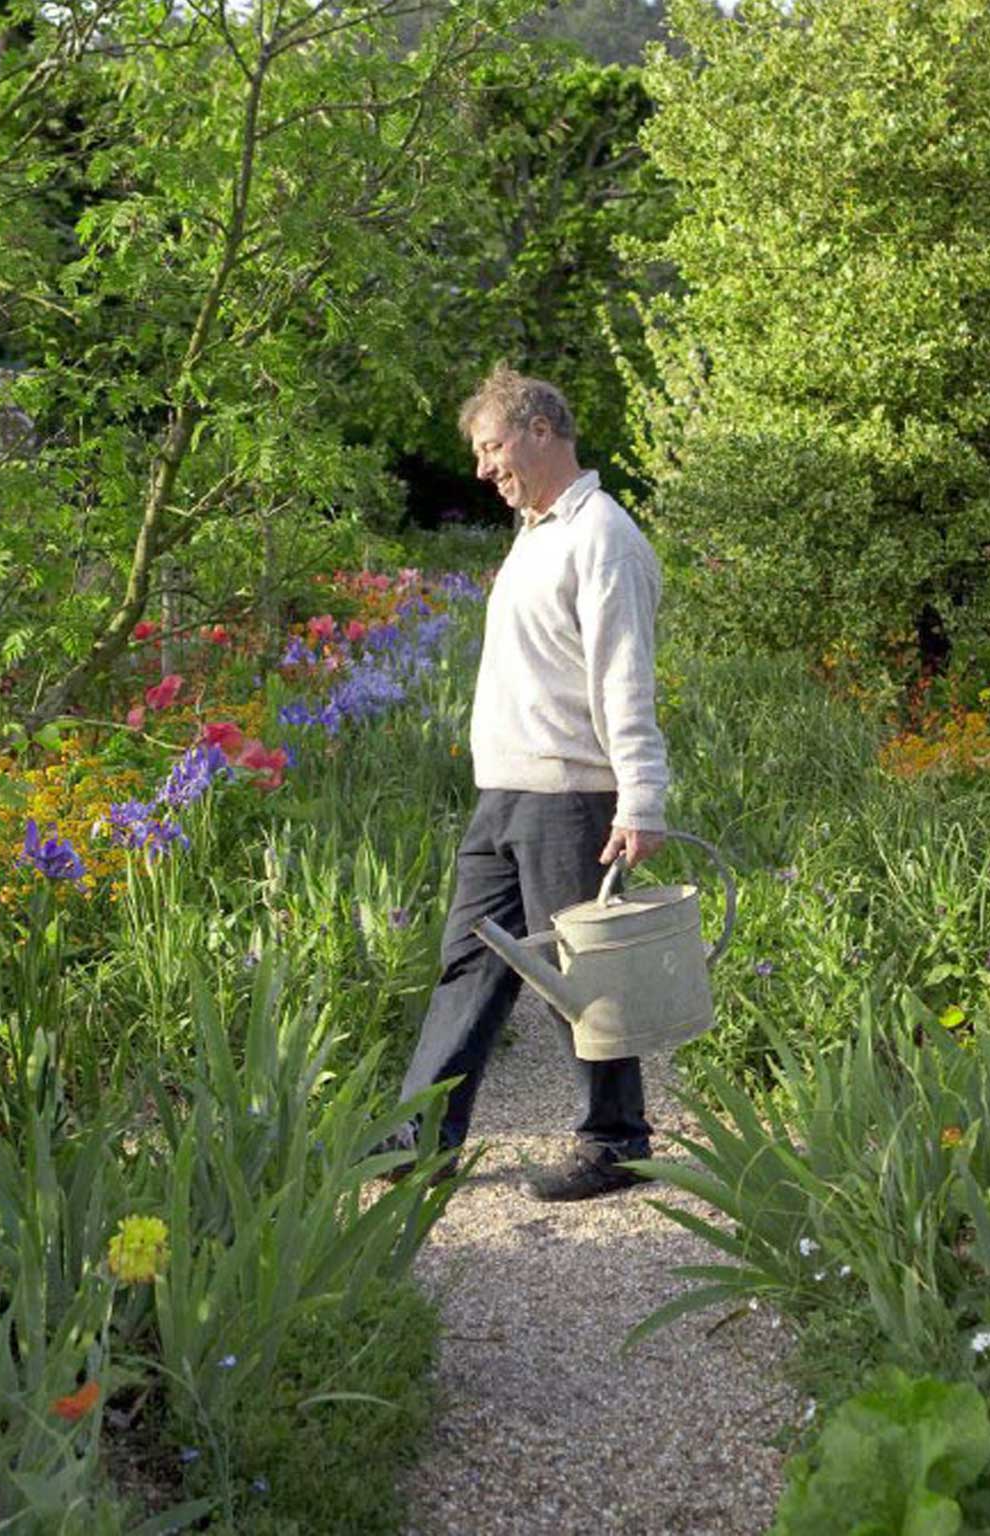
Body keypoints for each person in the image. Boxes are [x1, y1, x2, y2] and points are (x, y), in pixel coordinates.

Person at [389, 364, 669, 1202]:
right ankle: (419, 1139)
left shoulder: (603, 538)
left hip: (568, 795)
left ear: (540, 431)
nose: (482, 469)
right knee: (467, 963)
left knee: (578, 979)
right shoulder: (538, 532)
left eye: (490, 447)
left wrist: (641, 799)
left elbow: (626, 678)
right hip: (505, 792)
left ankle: (614, 1142)